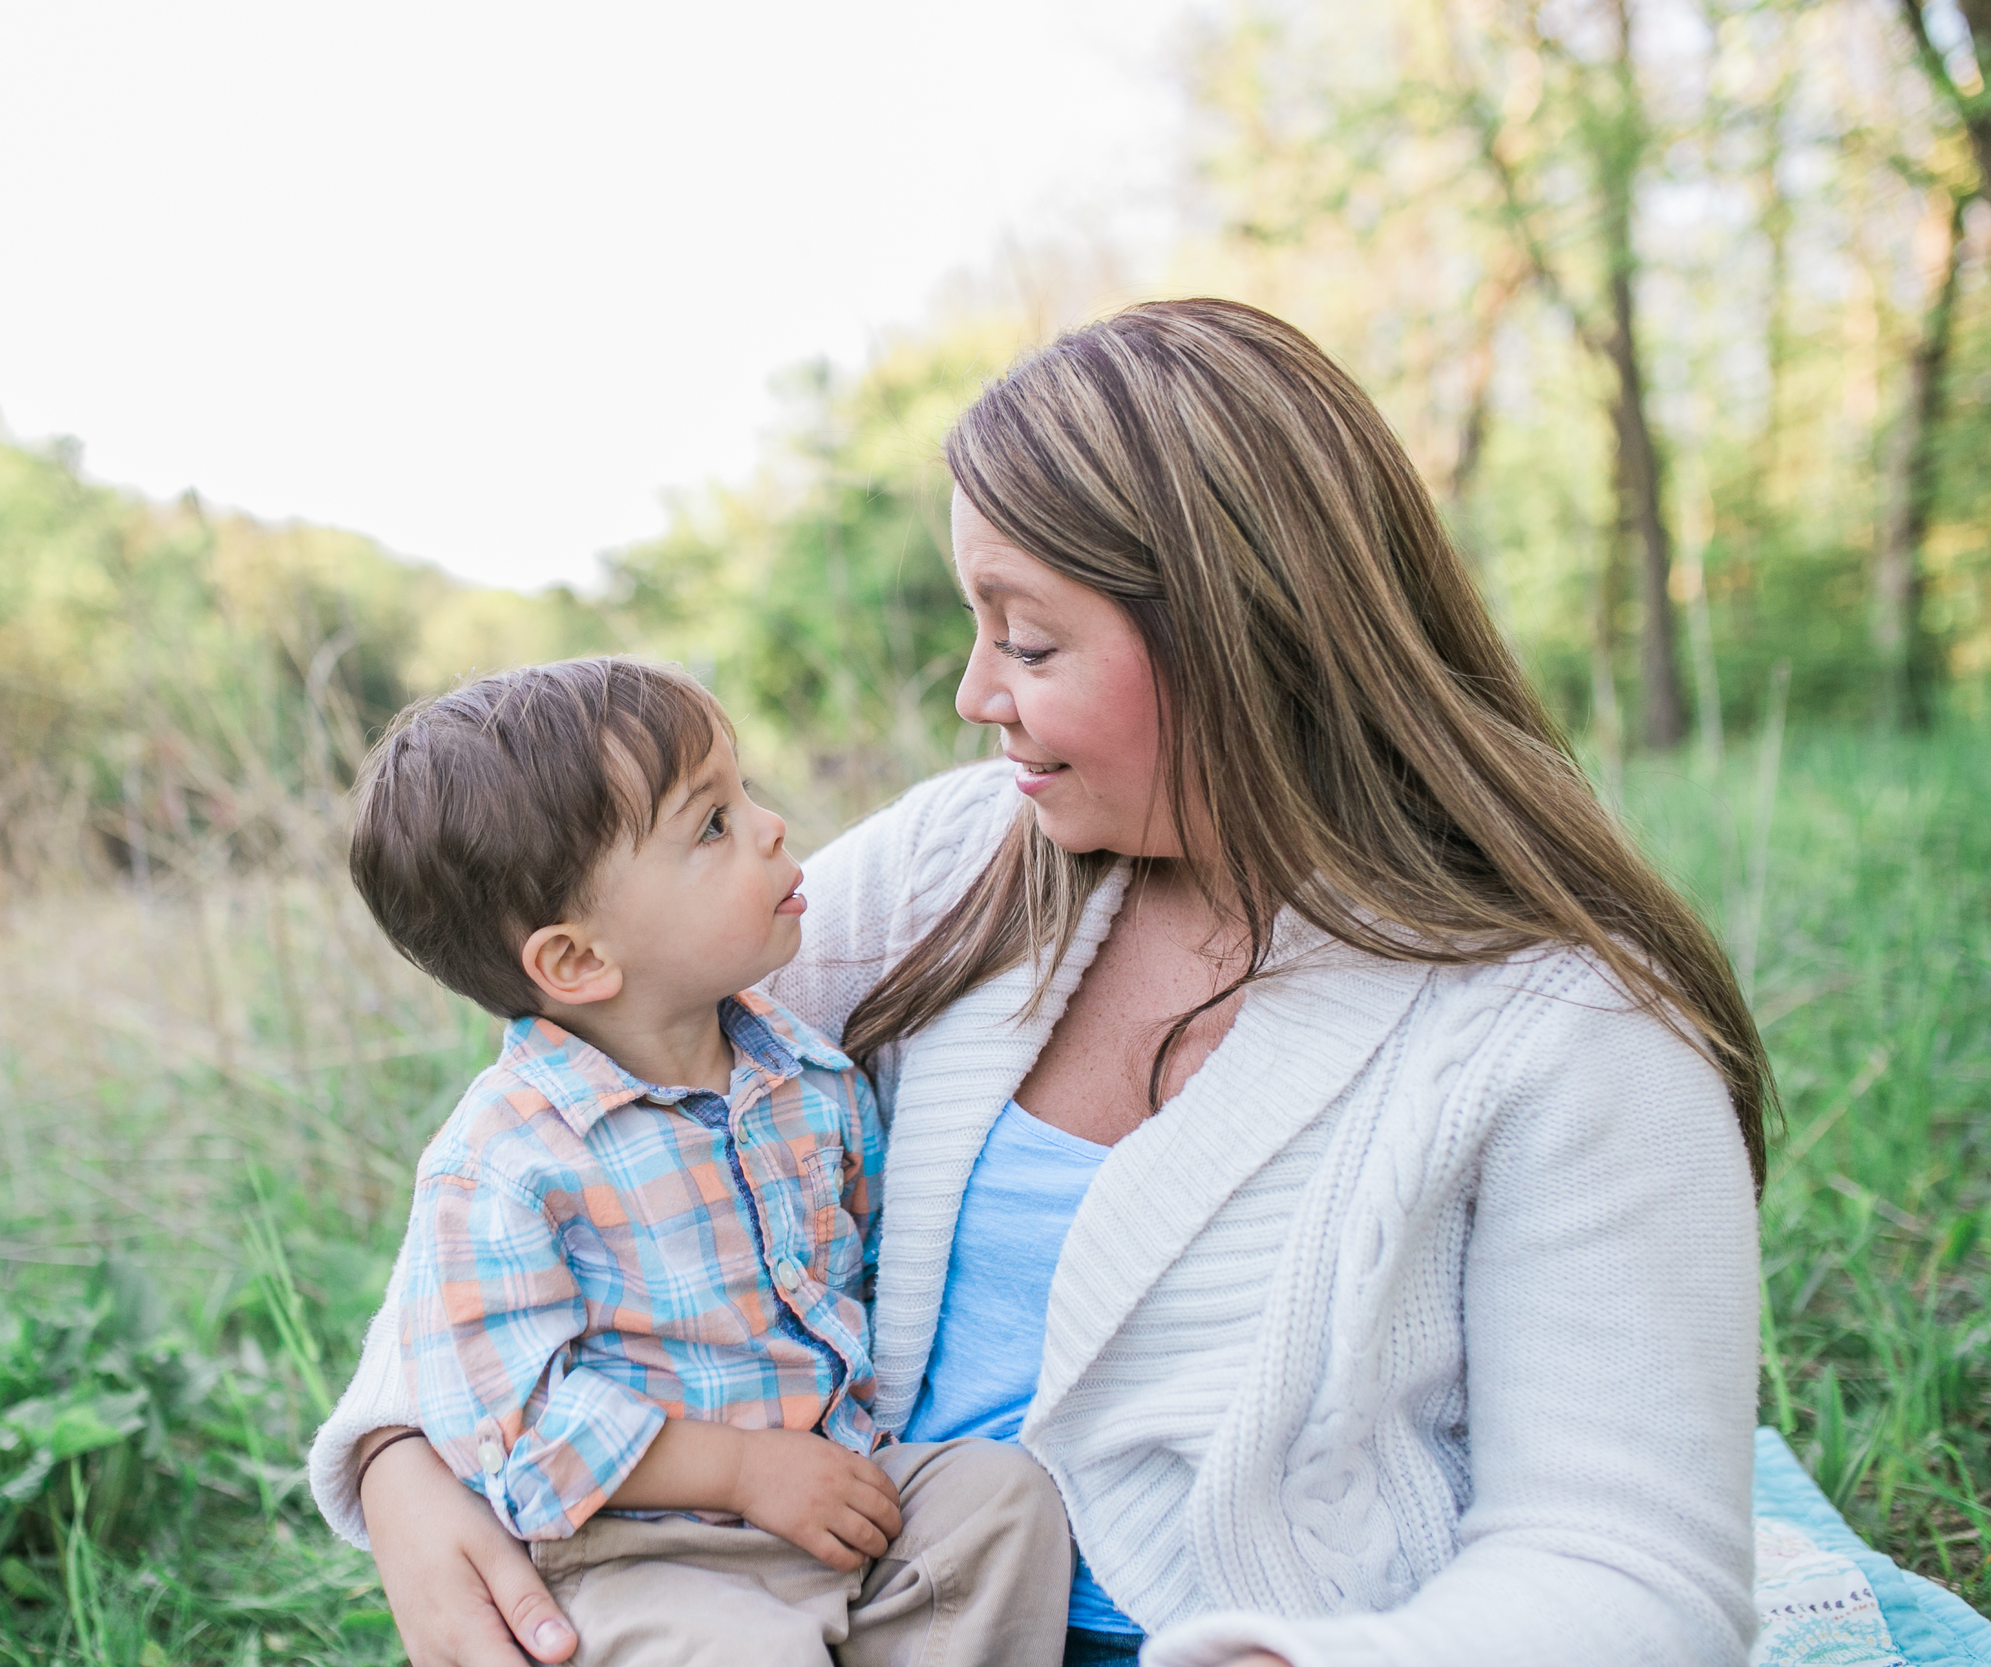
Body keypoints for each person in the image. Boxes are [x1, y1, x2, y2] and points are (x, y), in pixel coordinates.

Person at [310, 299, 1767, 1667]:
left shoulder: (1566, 1030)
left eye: (1029, 636)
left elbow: (1631, 1559)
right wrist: (396, 1453)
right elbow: (574, 1119)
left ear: (1245, 634)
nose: (974, 692)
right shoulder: (962, 862)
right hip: (831, 1598)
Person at [336, 657, 1073, 1667]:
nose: (771, 826)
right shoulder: (505, 1161)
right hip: (640, 1547)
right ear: (578, 960)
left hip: (826, 1496)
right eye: (712, 824)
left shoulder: (808, 1078)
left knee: (998, 1500)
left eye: (744, 794)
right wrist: (739, 1470)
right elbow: (509, 1420)